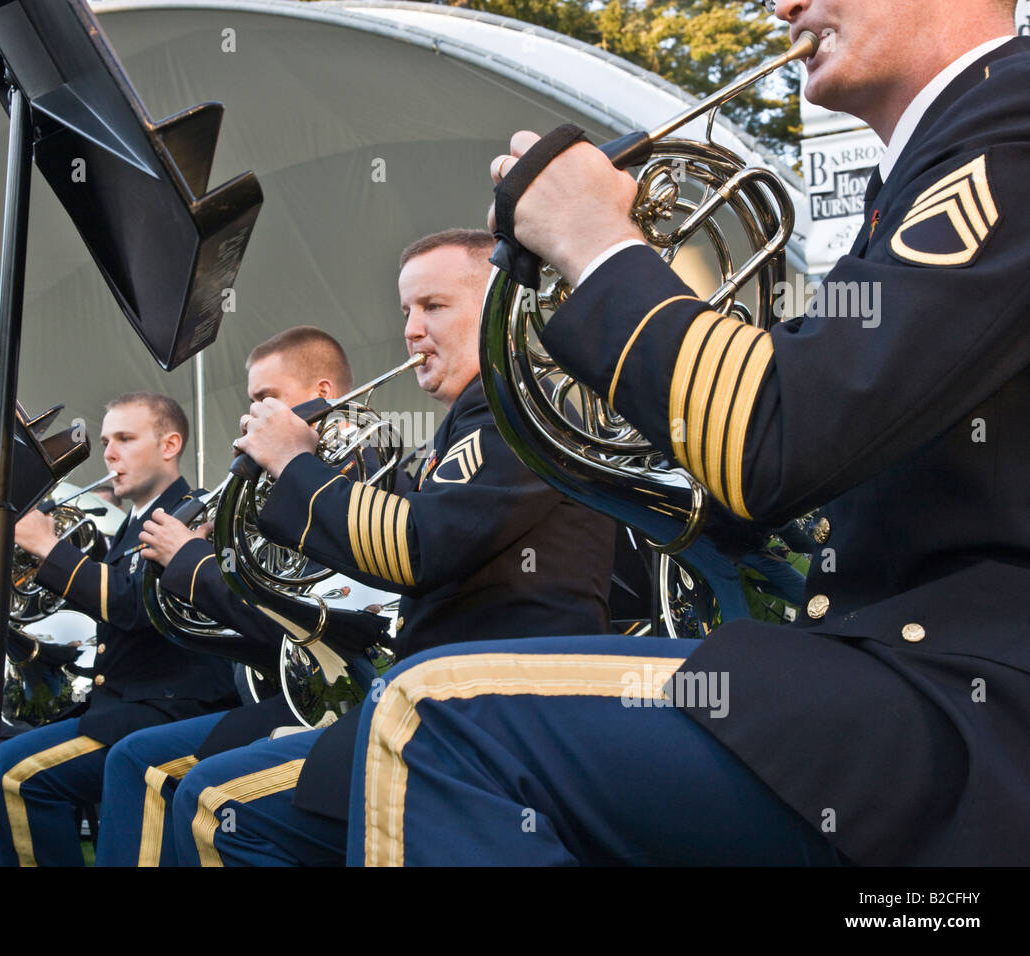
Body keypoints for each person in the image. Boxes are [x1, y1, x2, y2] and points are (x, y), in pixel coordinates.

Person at [346, 0, 1030, 865]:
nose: (785, 5)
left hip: (971, 720)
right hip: (916, 695)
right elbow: (833, 455)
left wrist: (596, 244)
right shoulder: (944, 154)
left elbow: (785, 427)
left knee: (429, 720)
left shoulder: (1008, 126)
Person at [165, 228, 617, 866]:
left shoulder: (518, 405)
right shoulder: (479, 414)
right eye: (406, 311)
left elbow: (416, 548)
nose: (411, 329)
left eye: (434, 306)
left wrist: (296, 465)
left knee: (215, 804)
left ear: (495, 306)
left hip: (481, 714)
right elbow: (422, 531)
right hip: (448, 701)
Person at [0, 392, 239, 866]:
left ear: (170, 445)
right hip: (111, 706)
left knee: (14, 778)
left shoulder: (191, 514)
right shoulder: (130, 525)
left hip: (163, 711)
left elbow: (135, 606)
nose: (108, 452)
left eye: (126, 439)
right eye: (107, 439)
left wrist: (49, 548)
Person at [95, 326, 368, 866]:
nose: (248, 419)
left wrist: (193, 563)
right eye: (249, 403)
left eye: (267, 400)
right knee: (138, 759)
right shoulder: (281, 490)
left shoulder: (354, 480)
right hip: (280, 692)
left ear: (324, 394)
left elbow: (300, 617)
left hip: (338, 703)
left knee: (167, 775)